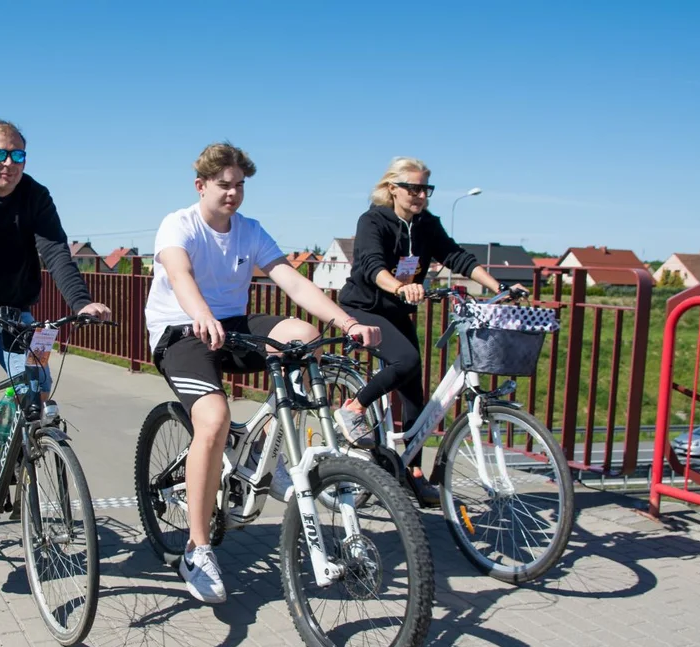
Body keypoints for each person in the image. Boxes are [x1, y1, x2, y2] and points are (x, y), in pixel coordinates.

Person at [144, 143, 381, 604]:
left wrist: (347, 323)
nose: (232, 194)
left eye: (240, 186)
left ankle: (265, 456)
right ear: (202, 186)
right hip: (182, 330)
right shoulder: (179, 224)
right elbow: (179, 273)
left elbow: (291, 280)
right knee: (211, 421)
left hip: (230, 326)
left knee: (302, 334)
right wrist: (200, 314)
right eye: (223, 185)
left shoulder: (249, 231)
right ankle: (198, 548)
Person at [0, 119, 112, 549]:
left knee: (35, 387)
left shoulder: (35, 196)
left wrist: (81, 303)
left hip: (12, 312)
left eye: (17, 155)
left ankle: (3, 454)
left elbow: (55, 252)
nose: (9, 163)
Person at [334, 156, 519, 507]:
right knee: (405, 360)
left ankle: (413, 471)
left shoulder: (425, 224)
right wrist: (399, 287)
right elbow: (371, 265)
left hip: (397, 309)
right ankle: (354, 408)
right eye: (413, 188)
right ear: (393, 189)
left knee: (415, 393)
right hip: (364, 307)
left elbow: (456, 256)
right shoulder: (373, 221)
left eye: (425, 189)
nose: (420, 195)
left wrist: (500, 286)